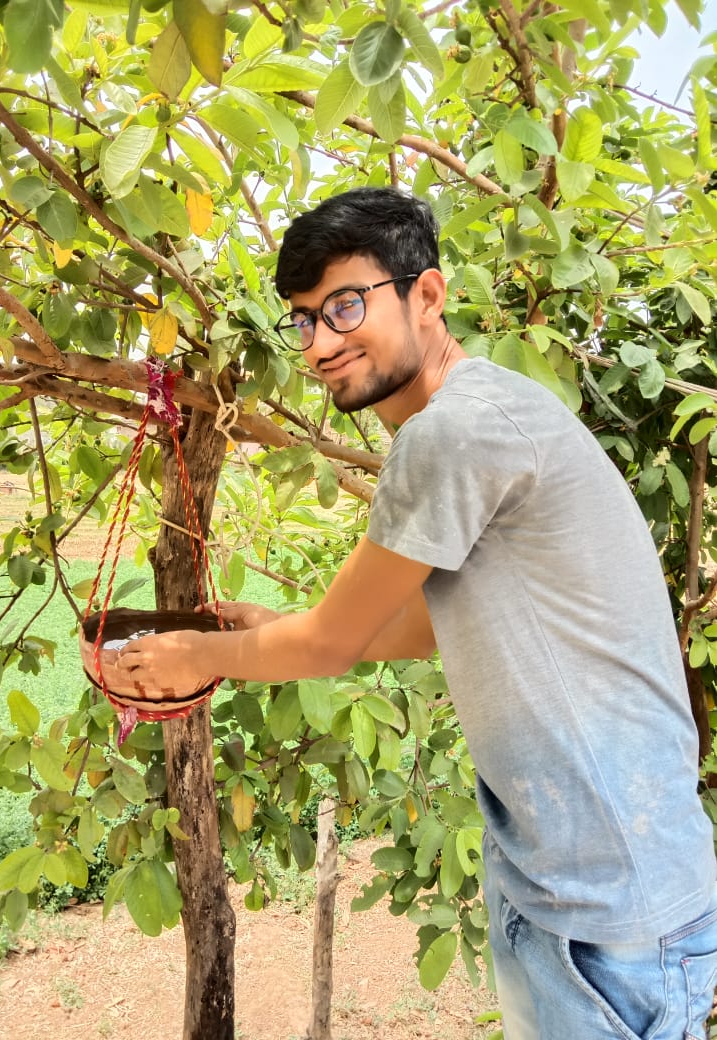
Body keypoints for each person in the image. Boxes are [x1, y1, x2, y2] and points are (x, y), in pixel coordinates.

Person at [117, 186, 717, 1039]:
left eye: (346, 306)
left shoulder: (453, 433)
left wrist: (197, 657)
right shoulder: (483, 412)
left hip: (605, 912)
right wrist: (275, 627)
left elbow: (327, 647)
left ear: (426, 295)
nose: (321, 343)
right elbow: (433, 621)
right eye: (303, 319)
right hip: (576, 887)